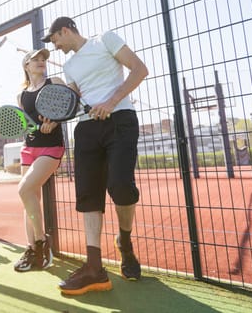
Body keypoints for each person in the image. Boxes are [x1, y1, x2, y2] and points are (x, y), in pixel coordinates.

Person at [41, 17, 148, 295]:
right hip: (87, 130)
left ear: (65, 30)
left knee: (121, 187)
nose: (55, 46)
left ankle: (125, 242)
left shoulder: (106, 39)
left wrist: (111, 102)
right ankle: (94, 267)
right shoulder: (69, 65)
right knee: (88, 195)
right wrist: (55, 119)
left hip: (121, 119)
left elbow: (139, 69)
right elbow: (73, 100)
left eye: (55, 39)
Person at [8, 48, 66, 272]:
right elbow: (26, 122)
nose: (41, 62)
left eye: (43, 59)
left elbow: (71, 104)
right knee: (28, 198)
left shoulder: (55, 82)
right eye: (36, 59)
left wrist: (56, 121)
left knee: (24, 190)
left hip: (51, 148)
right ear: (26, 66)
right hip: (28, 148)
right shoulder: (21, 95)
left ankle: (42, 243)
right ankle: (32, 249)